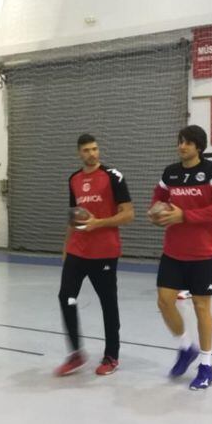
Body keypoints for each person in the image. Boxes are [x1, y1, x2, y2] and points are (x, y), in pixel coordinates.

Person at [149, 125, 212, 390]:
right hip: (173, 251)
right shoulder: (170, 173)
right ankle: (186, 348)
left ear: (199, 146)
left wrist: (185, 215)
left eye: (187, 143)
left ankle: (206, 366)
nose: (182, 146)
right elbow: (158, 199)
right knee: (164, 302)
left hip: (202, 253)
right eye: (180, 141)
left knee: (201, 308)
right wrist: (156, 213)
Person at [55, 134, 134, 376]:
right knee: (66, 296)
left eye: (95, 149)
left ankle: (111, 356)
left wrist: (99, 223)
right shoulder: (74, 180)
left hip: (105, 252)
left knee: (108, 304)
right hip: (78, 251)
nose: (92, 153)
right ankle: (76, 354)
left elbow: (128, 214)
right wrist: (66, 246)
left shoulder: (113, 177)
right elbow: (74, 215)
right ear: (79, 153)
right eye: (87, 150)